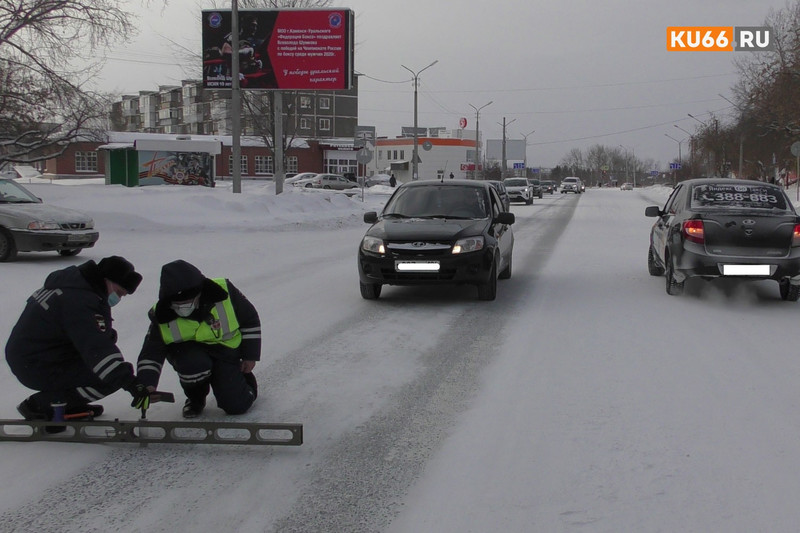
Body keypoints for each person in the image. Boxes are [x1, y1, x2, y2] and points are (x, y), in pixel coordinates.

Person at [5, 256, 150, 424]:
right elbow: (96, 348)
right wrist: (130, 383)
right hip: (36, 364)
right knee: (107, 378)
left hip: (35, 354)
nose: (117, 298)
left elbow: (80, 331)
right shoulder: (80, 299)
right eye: (118, 292)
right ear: (107, 280)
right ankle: (42, 405)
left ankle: (68, 404)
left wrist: (105, 334)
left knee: (103, 368)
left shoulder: (74, 285)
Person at [136, 260, 261, 418]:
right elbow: (151, 352)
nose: (182, 307)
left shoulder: (224, 291)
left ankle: (244, 381)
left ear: (199, 293)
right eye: (177, 304)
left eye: (187, 302)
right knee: (192, 363)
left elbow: (250, 320)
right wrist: (147, 384)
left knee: (236, 406)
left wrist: (250, 356)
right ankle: (196, 399)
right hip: (190, 356)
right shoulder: (161, 314)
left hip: (226, 352)